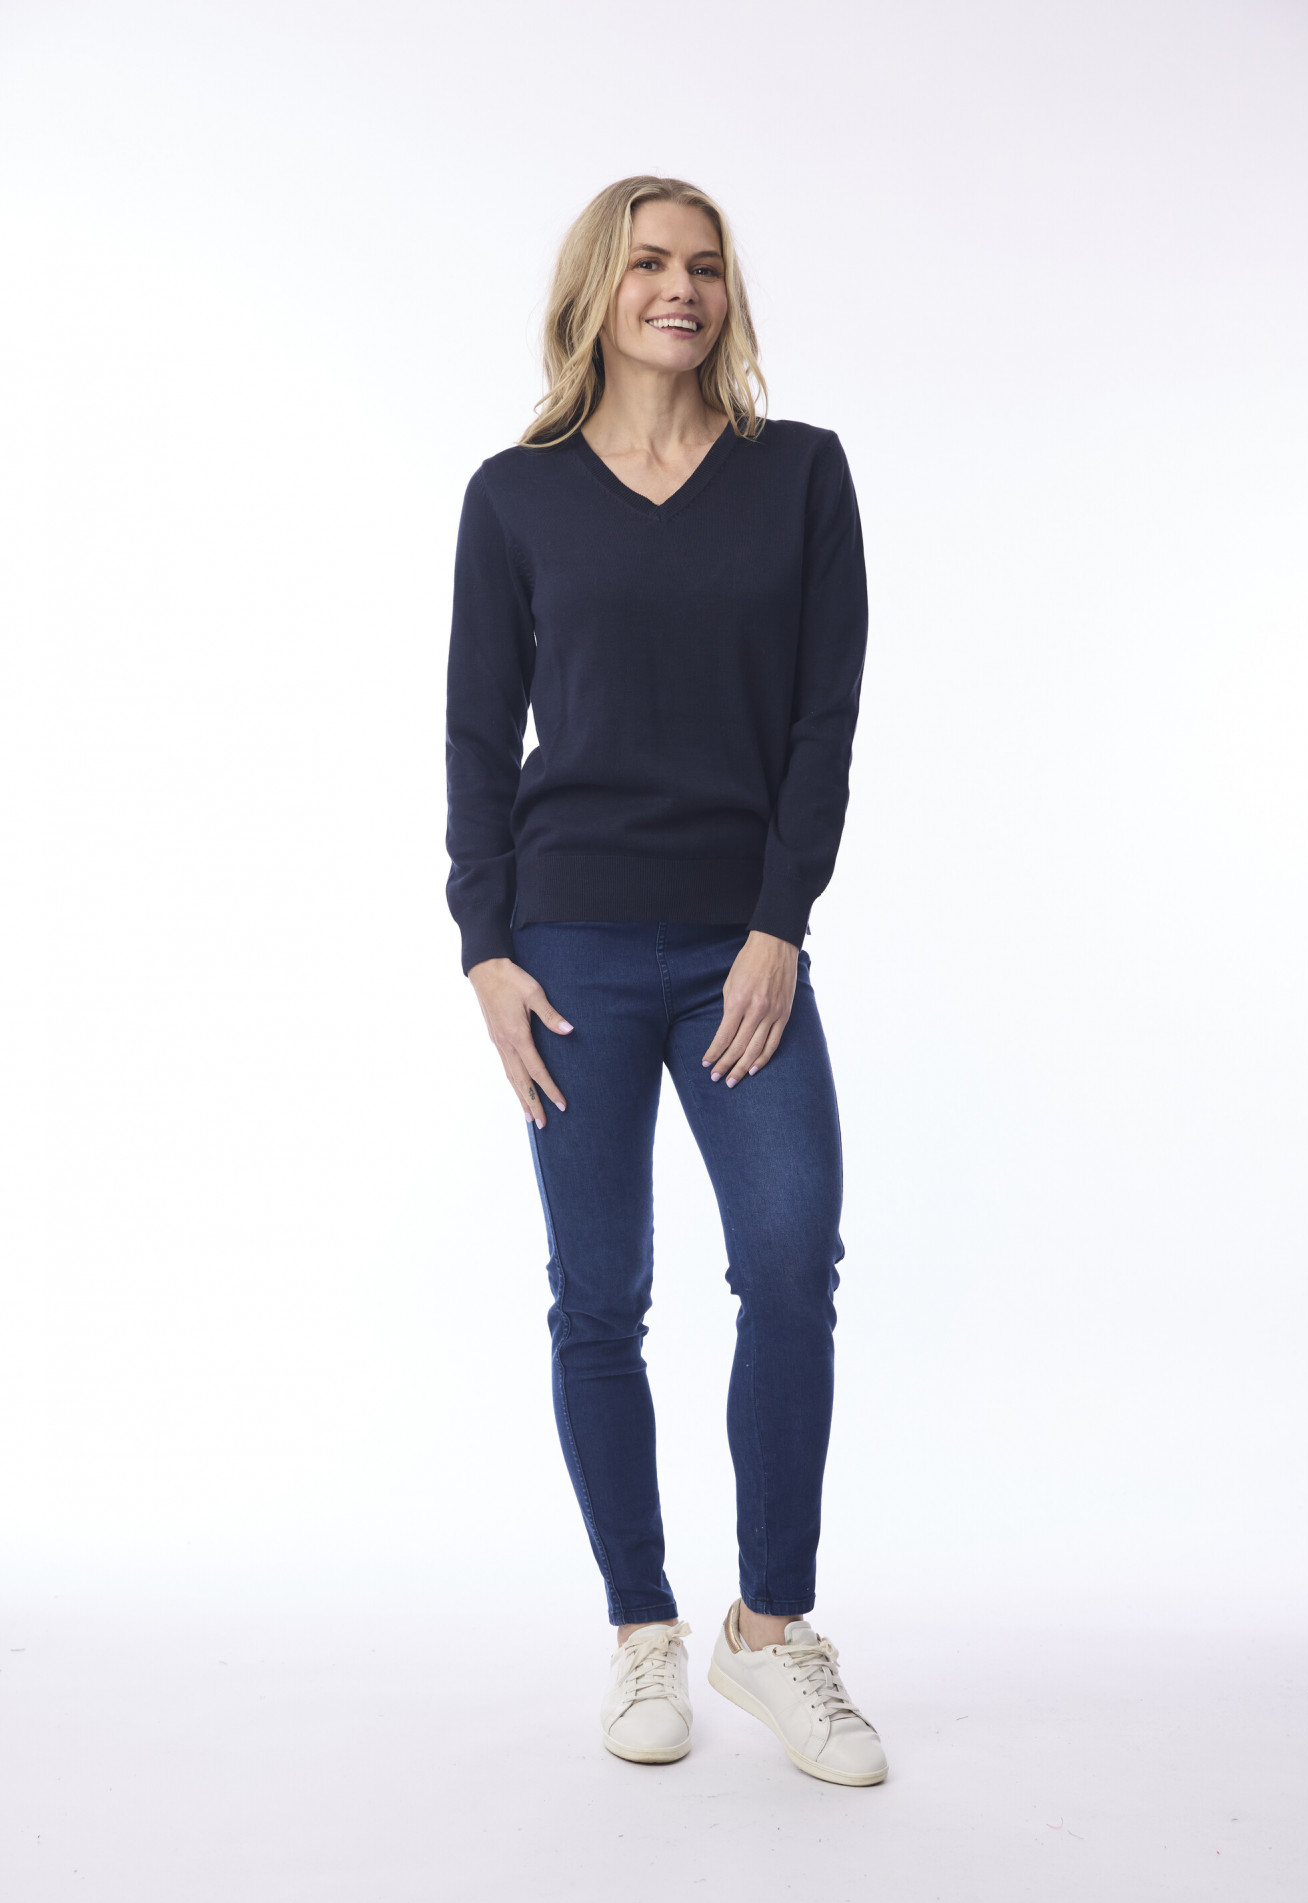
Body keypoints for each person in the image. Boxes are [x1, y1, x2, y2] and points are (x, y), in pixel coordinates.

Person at [444, 176, 886, 1786]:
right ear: (597, 290)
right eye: (647, 264)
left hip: (734, 947)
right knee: (598, 1295)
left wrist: (777, 925)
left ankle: (767, 1633)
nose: (678, 289)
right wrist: (483, 947)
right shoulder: (516, 496)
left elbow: (823, 722)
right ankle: (642, 1630)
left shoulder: (800, 475)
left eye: (702, 266)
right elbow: (476, 733)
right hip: (565, 949)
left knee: (787, 1263)